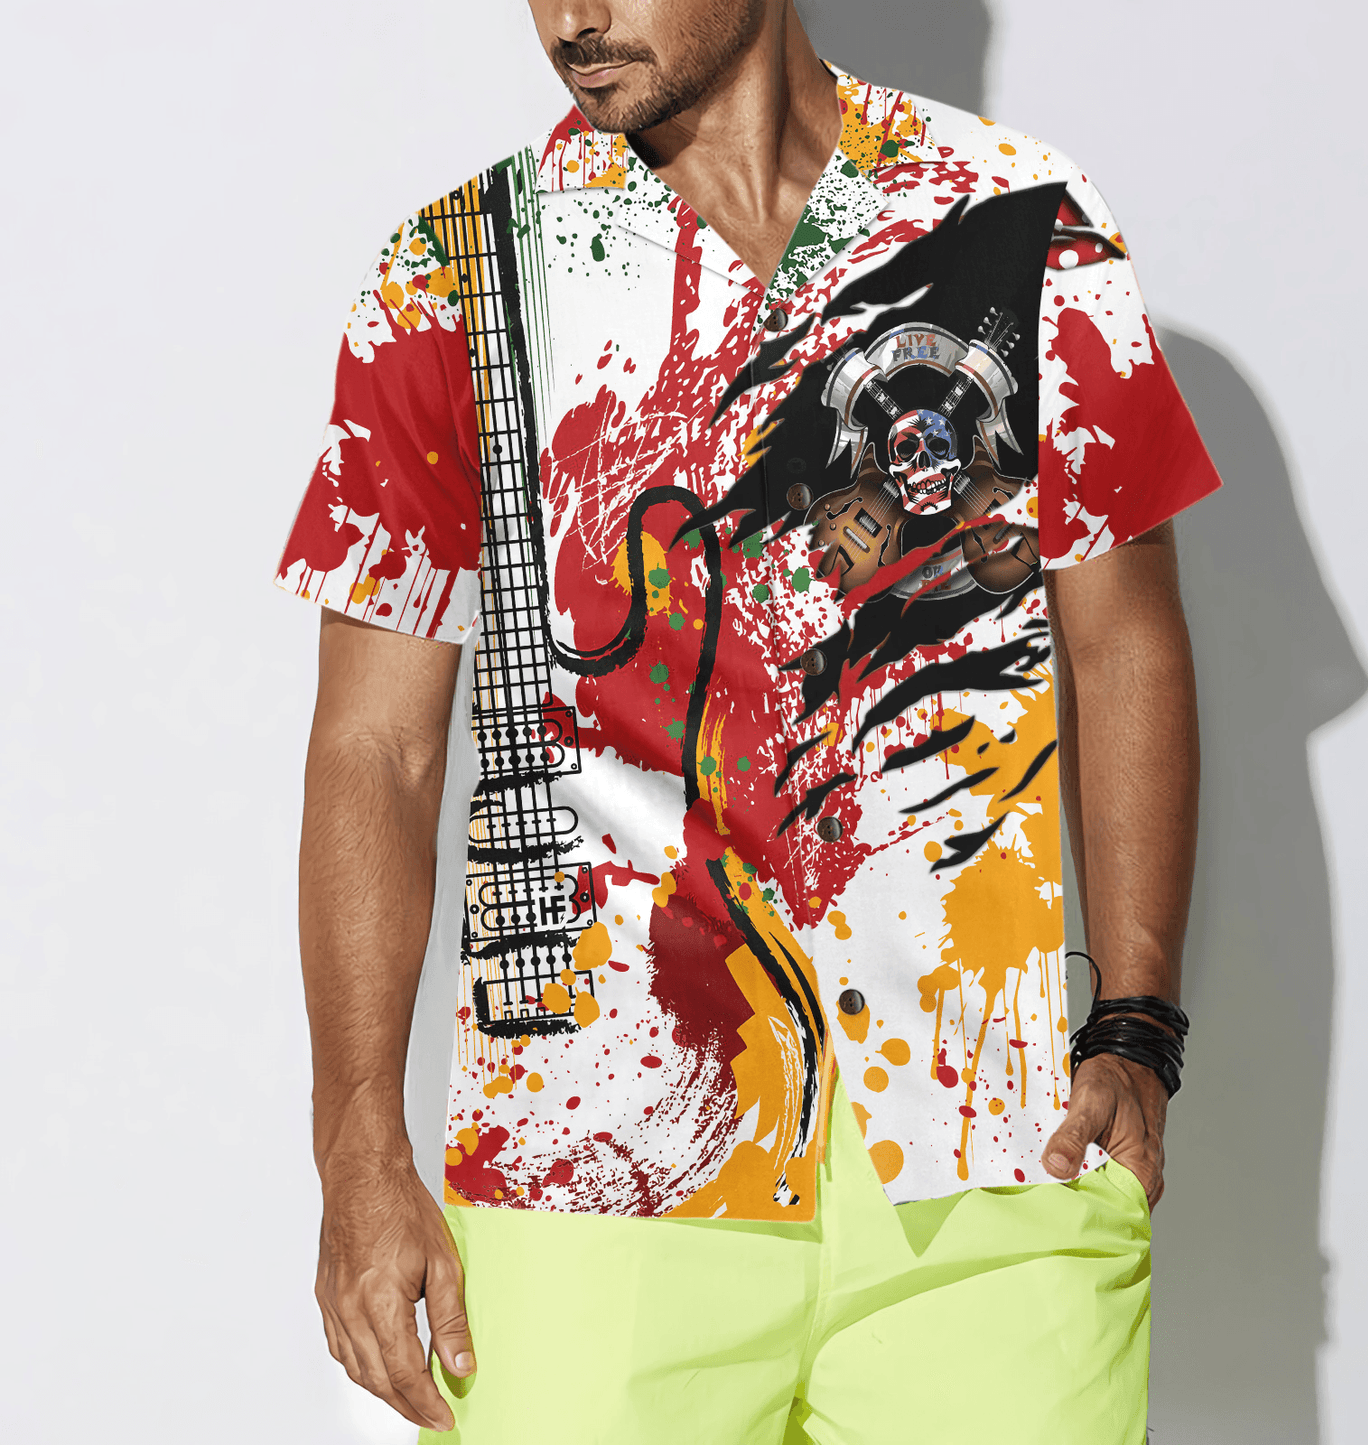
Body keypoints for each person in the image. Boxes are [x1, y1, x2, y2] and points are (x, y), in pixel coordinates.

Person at [276, 2, 1220, 1441]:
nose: (573, 18)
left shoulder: (1016, 218)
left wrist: (1138, 1026)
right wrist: (355, 1152)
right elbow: (377, 746)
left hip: (992, 1150)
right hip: (594, 1158)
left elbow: (1127, 633)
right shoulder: (457, 276)